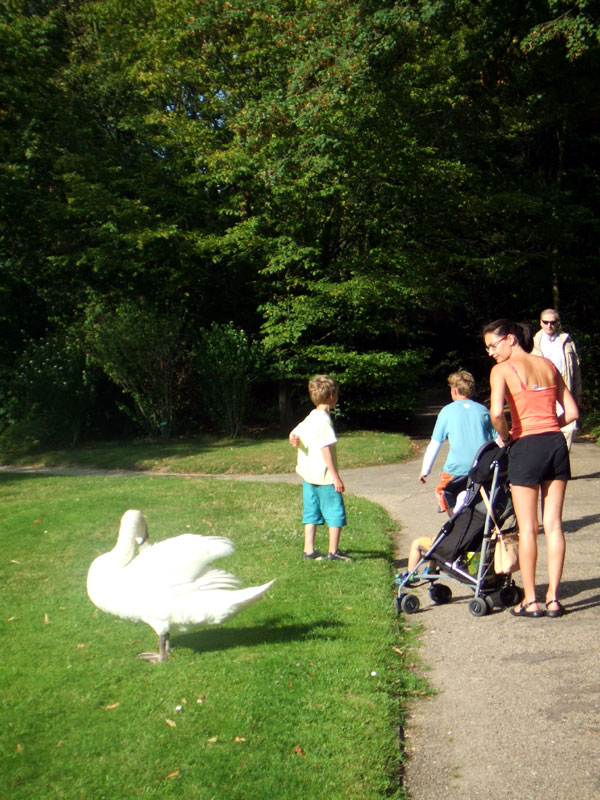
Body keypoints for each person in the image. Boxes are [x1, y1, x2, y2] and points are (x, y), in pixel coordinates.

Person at [483, 318, 579, 618]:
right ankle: (553, 598)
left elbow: (497, 412)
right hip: (555, 444)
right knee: (553, 525)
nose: (490, 352)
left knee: (528, 529)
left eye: (493, 345)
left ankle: (531, 600)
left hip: (526, 445)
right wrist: (550, 427)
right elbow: (573, 411)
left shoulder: (501, 370)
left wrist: (507, 434)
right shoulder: (549, 365)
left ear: (510, 339)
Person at [288, 374, 353, 562]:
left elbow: (294, 433)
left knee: (311, 513)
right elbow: (325, 448)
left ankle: (308, 550)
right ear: (332, 395)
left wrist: (293, 439)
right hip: (325, 478)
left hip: (309, 477)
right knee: (335, 513)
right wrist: (335, 476)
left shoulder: (311, 416)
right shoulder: (324, 420)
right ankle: (333, 552)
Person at [419, 370, 497, 516]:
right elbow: (496, 439)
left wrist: (425, 470)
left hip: (456, 469)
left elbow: (435, 444)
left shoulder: (447, 411)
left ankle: (453, 520)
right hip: (481, 467)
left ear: (454, 390)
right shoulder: (483, 410)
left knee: (443, 491)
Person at [532, 308, 582, 450]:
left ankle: (562, 460)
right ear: (540, 323)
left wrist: (578, 393)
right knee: (545, 428)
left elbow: (576, 369)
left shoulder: (566, 340)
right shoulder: (534, 341)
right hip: (542, 390)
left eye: (552, 322)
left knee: (570, 428)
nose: (549, 325)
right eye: (545, 322)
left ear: (557, 323)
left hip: (565, 387)